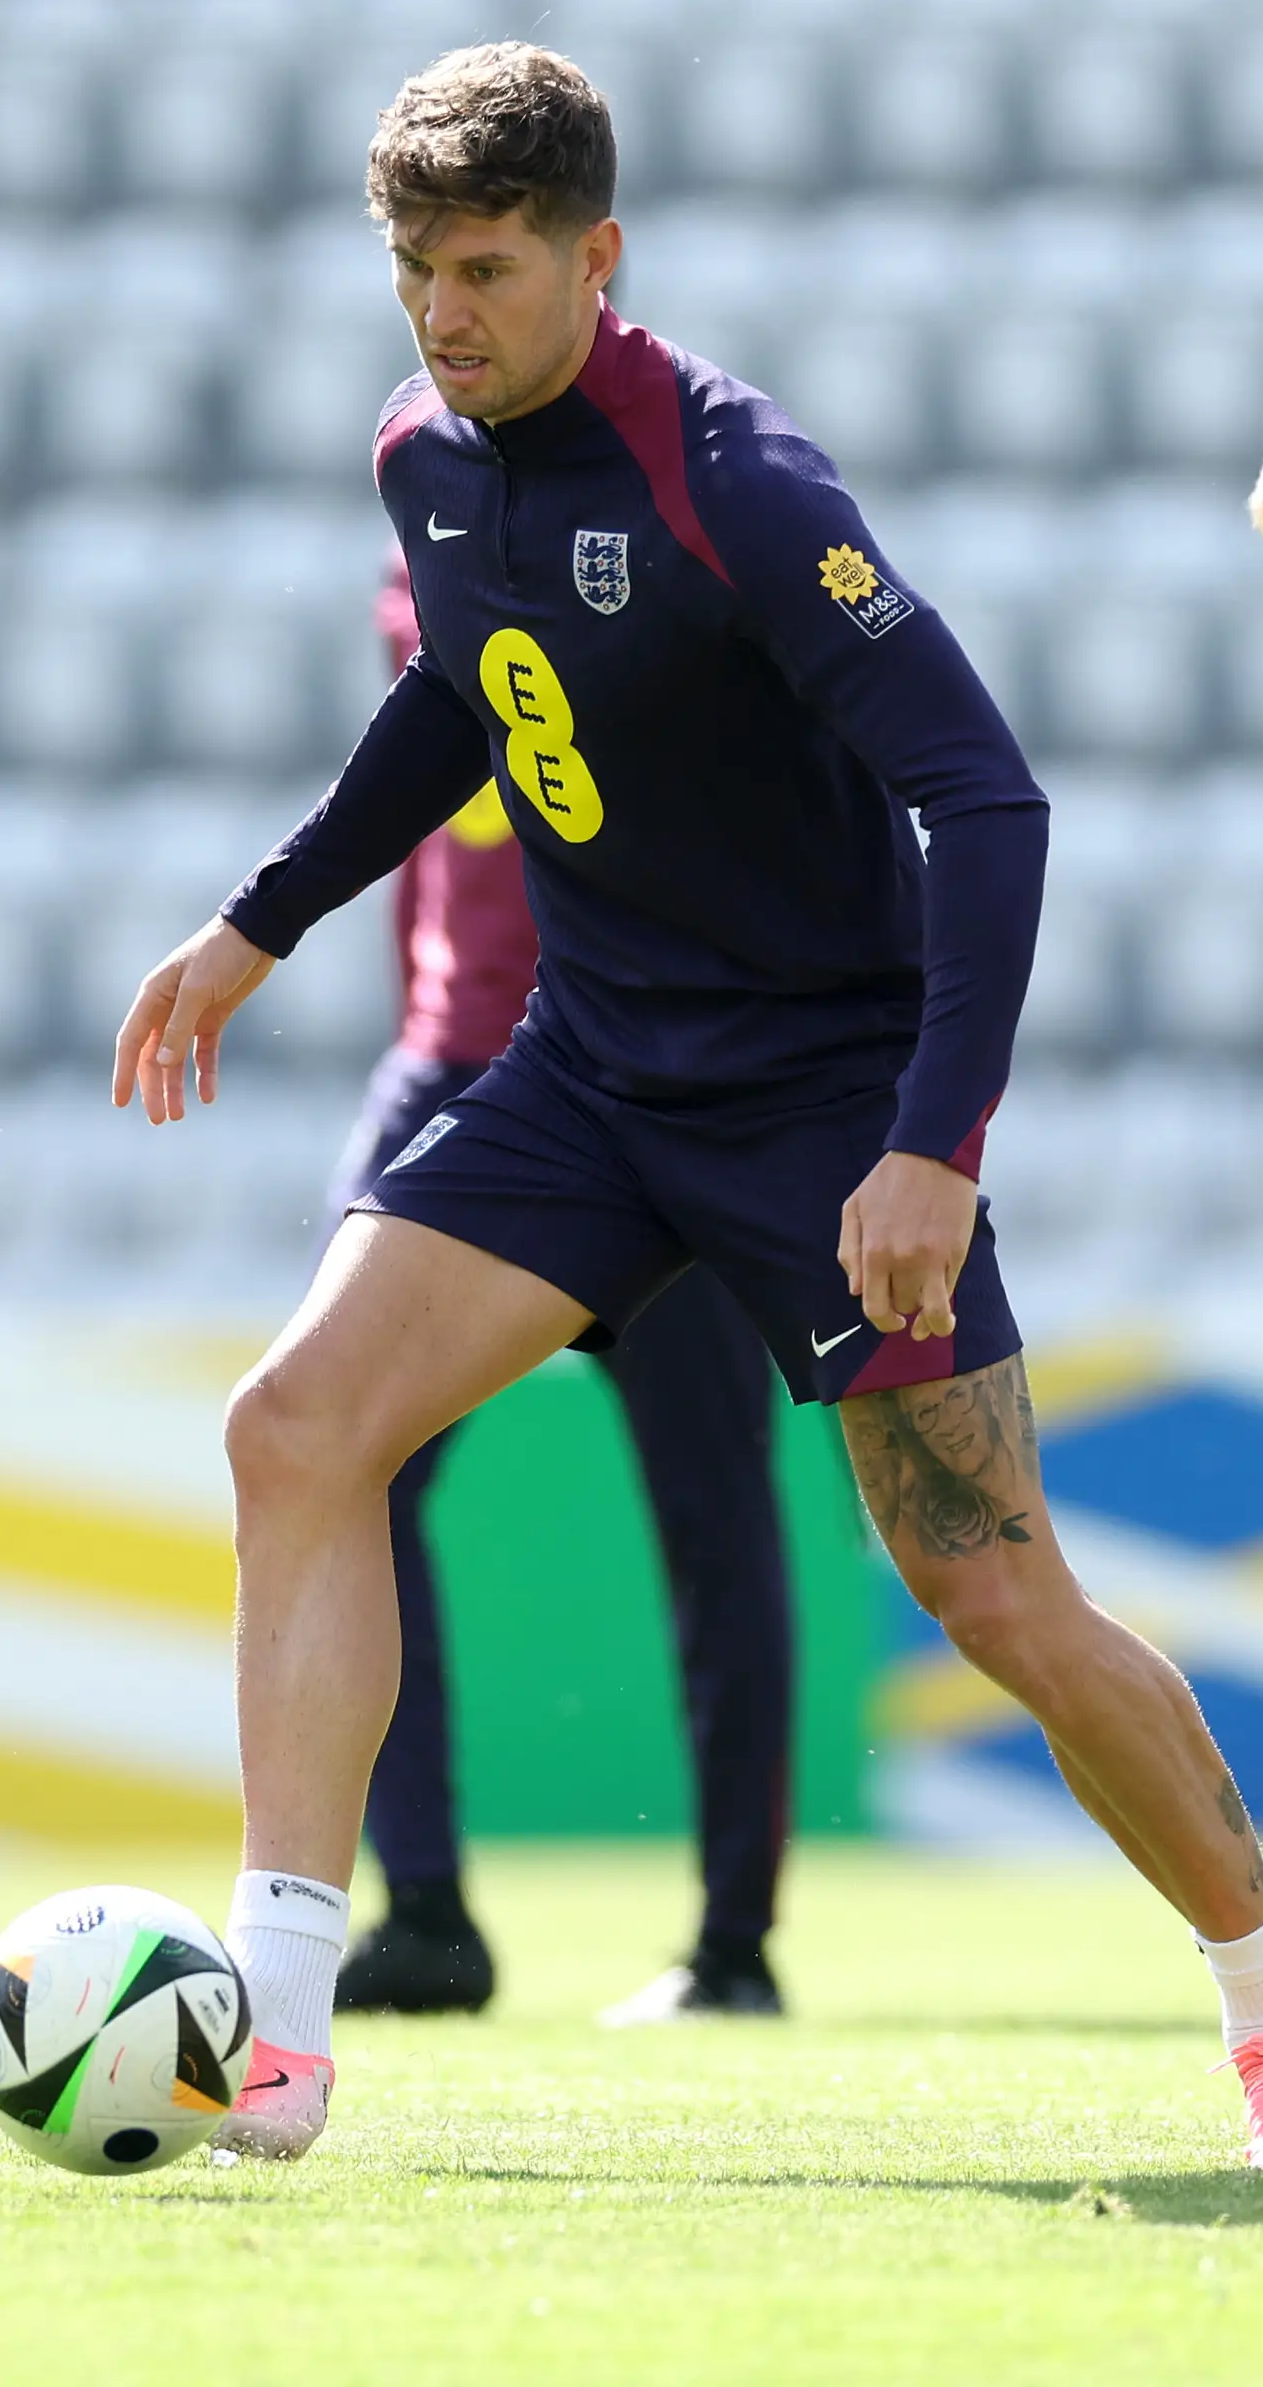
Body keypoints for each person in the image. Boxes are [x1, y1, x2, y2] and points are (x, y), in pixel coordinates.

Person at [112, 42, 1263, 2170]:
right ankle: (288, 2023)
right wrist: (263, 922)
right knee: (294, 1428)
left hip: (824, 1106)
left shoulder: (735, 479)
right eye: (413, 266)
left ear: (600, 257)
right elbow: (458, 691)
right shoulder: (425, 460)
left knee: (996, 1597)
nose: (444, 311)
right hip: (594, 1074)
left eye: (490, 268)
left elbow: (985, 795)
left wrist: (932, 1146)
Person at [325, 550, 799, 2027]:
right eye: (429, 292)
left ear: (593, 295)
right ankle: (422, 1911)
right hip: (468, 1069)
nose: (448, 312)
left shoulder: (680, 519)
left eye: (482, 289)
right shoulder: (446, 532)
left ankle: (730, 1944)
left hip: (655, 1080)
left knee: (710, 1513)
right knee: (333, 1459)